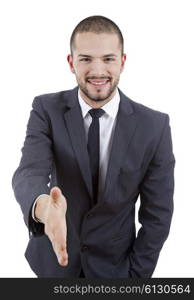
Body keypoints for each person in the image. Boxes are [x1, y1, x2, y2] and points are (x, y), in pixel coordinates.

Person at [12, 15, 175, 278]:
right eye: (86, 59)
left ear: (122, 62)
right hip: (54, 266)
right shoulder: (46, 110)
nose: (98, 71)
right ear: (71, 62)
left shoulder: (154, 126)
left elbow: (158, 215)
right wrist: (44, 209)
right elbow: (29, 172)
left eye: (108, 59)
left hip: (117, 271)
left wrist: (135, 277)